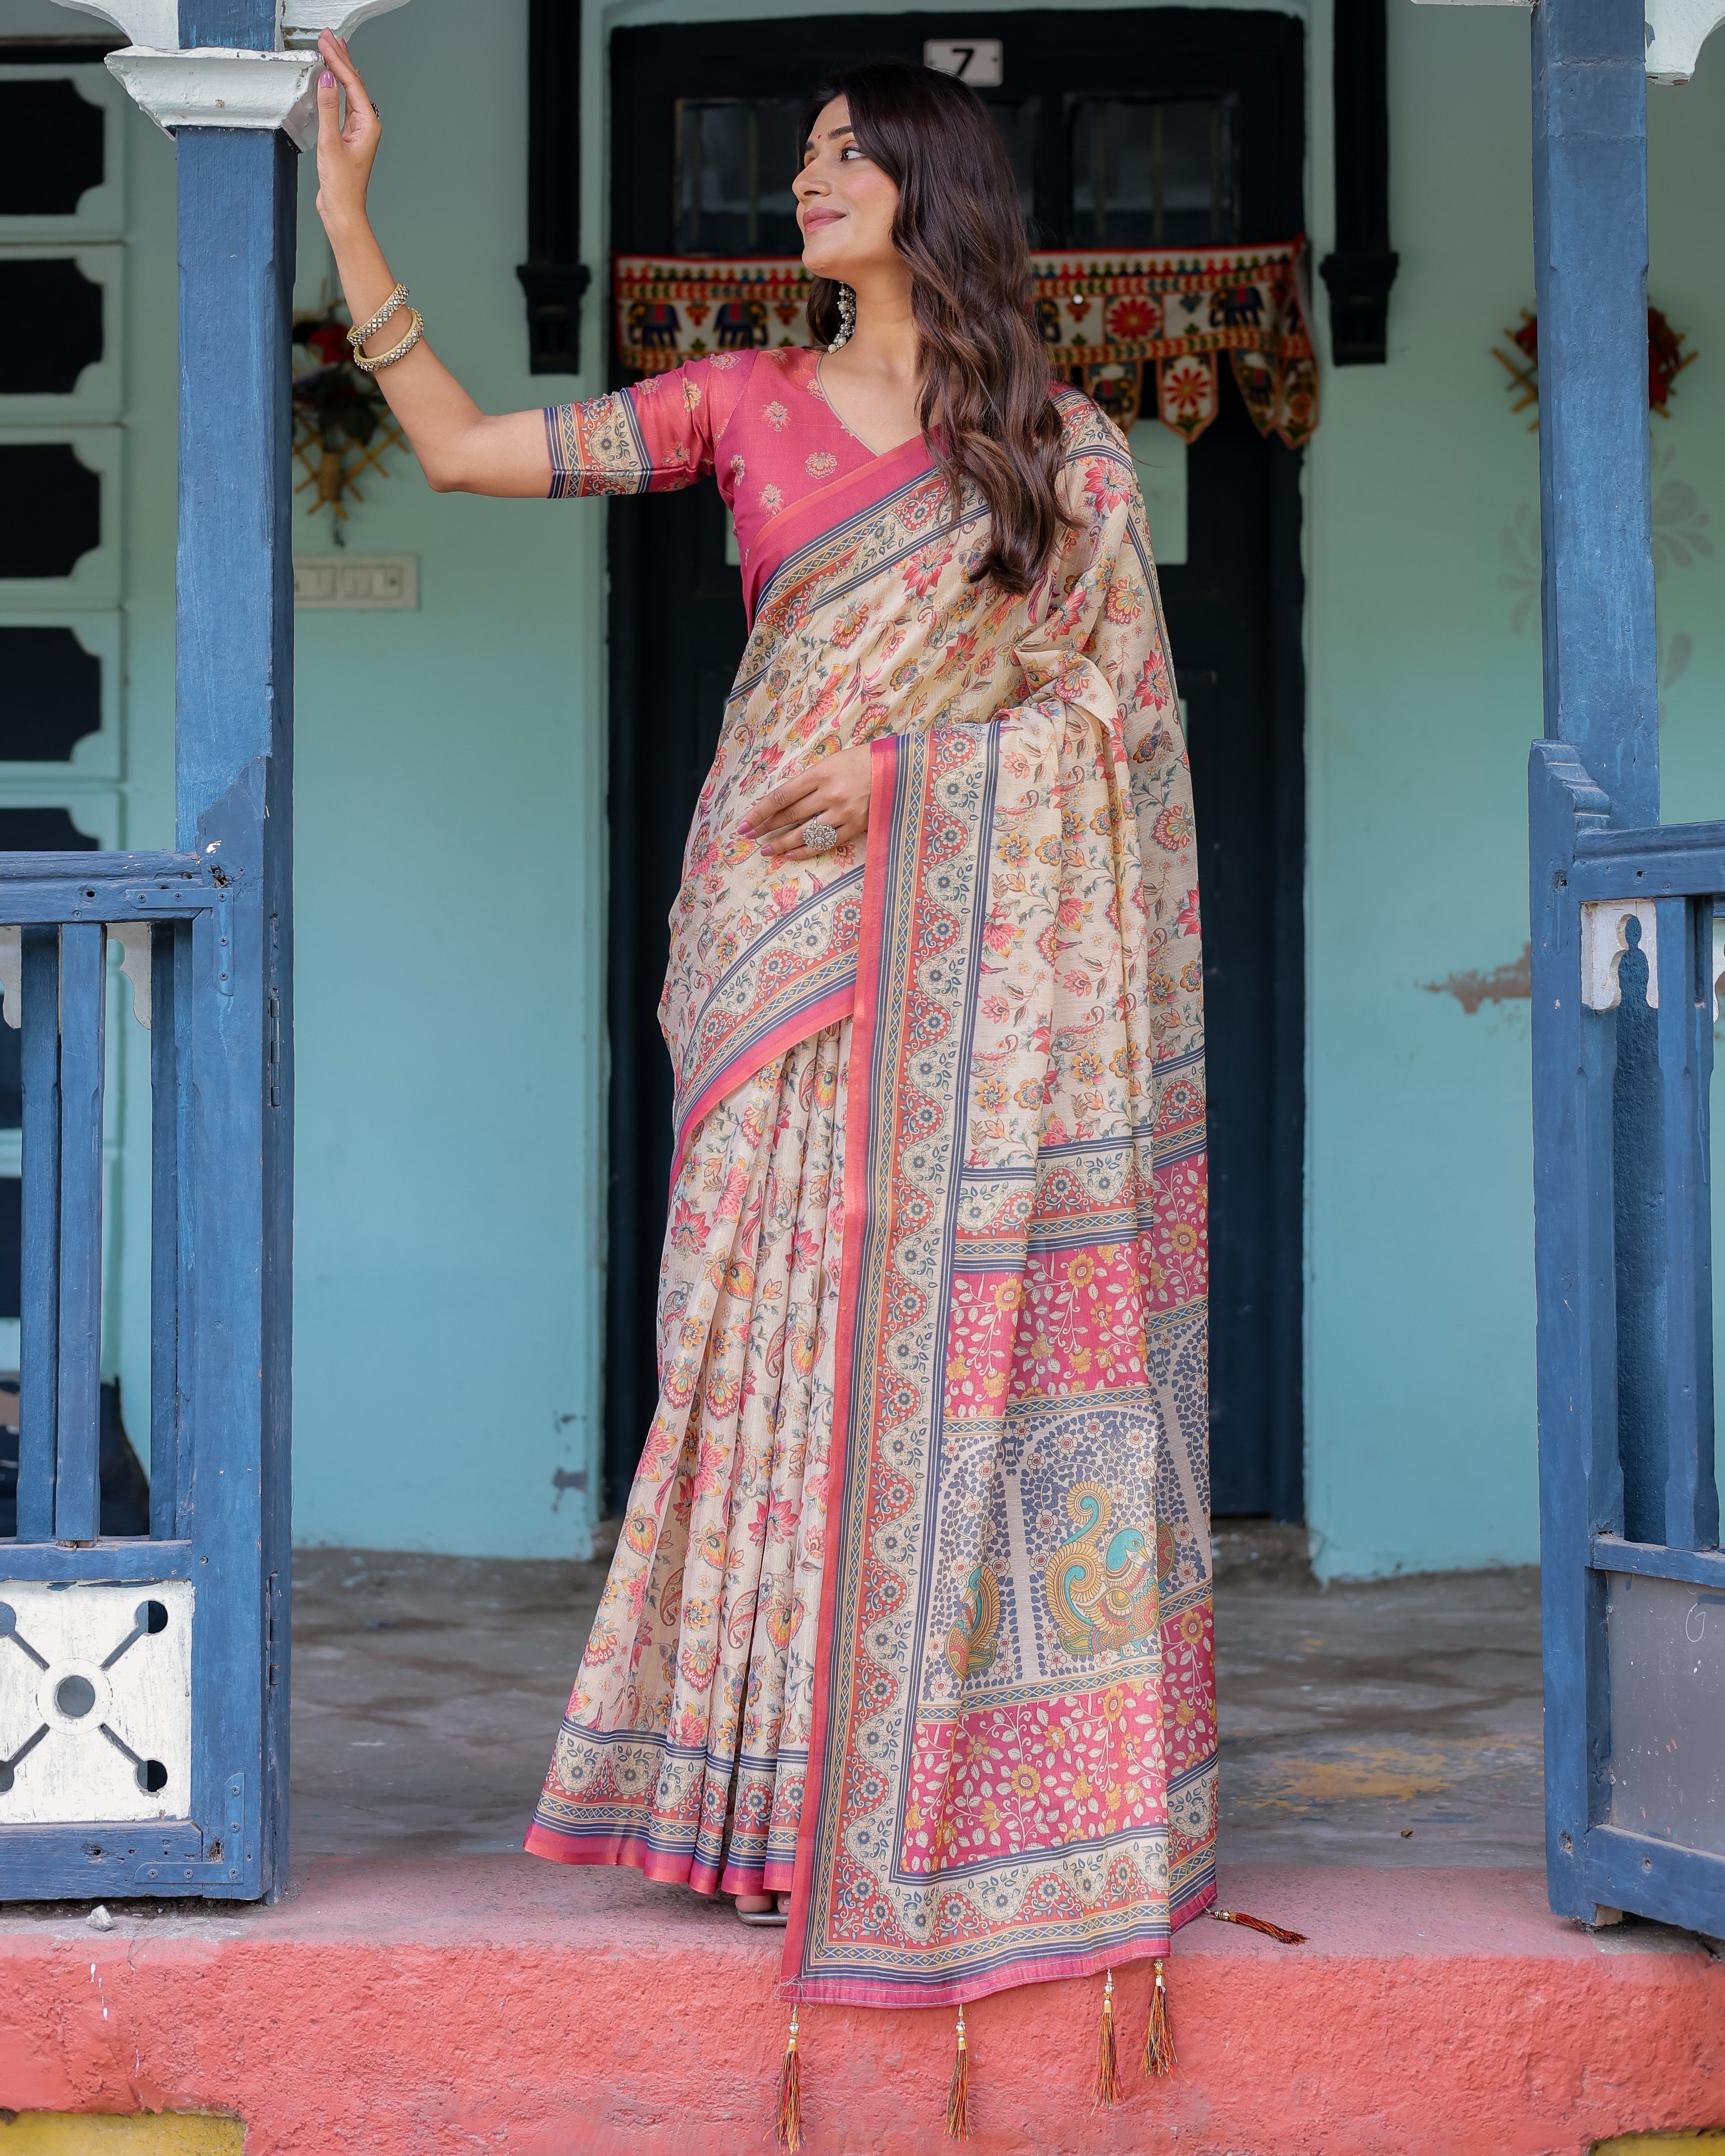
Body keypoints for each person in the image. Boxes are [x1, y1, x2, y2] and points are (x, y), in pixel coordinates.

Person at [314, 29, 1215, 2077]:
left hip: (965, 962)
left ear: (929, 187)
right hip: (770, 944)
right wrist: (351, 220)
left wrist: (907, 780)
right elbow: (464, 453)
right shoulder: (738, 402)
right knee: (758, 1340)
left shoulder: (1064, 450)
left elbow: (1117, 724)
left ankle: (912, 1788)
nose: (805, 182)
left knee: (937, 1350)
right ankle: (751, 1795)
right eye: (800, 155)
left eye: (842, 155)